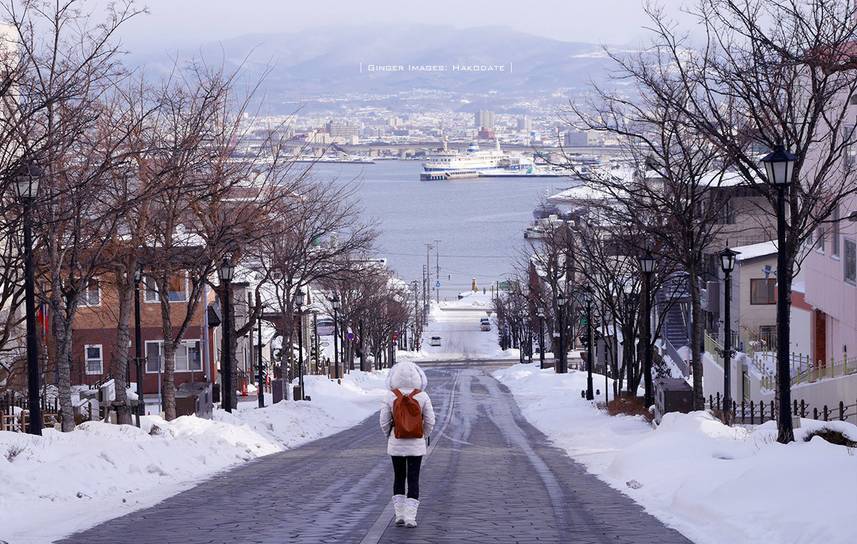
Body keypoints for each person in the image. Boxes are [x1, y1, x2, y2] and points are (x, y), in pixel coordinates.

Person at [379, 361, 435, 528]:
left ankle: (399, 515)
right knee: (413, 478)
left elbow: (383, 422)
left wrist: (389, 435)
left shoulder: (390, 396)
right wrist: (422, 435)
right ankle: (411, 517)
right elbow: (431, 421)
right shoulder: (422, 396)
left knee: (398, 477)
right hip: (416, 445)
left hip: (396, 443)